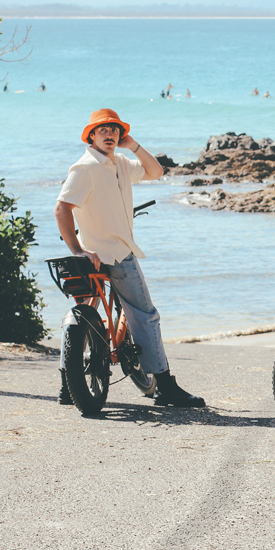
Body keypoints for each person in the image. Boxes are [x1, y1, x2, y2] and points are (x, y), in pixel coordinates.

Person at [54, 108, 203, 408]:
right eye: (103, 130)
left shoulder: (119, 162)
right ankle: (165, 386)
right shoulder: (85, 168)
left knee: (85, 309)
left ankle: (66, 387)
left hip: (98, 255)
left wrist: (132, 145)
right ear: (91, 135)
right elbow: (62, 209)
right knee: (145, 315)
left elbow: (156, 172)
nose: (110, 134)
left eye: (115, 130)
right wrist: (77, 250)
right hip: (114, 254)